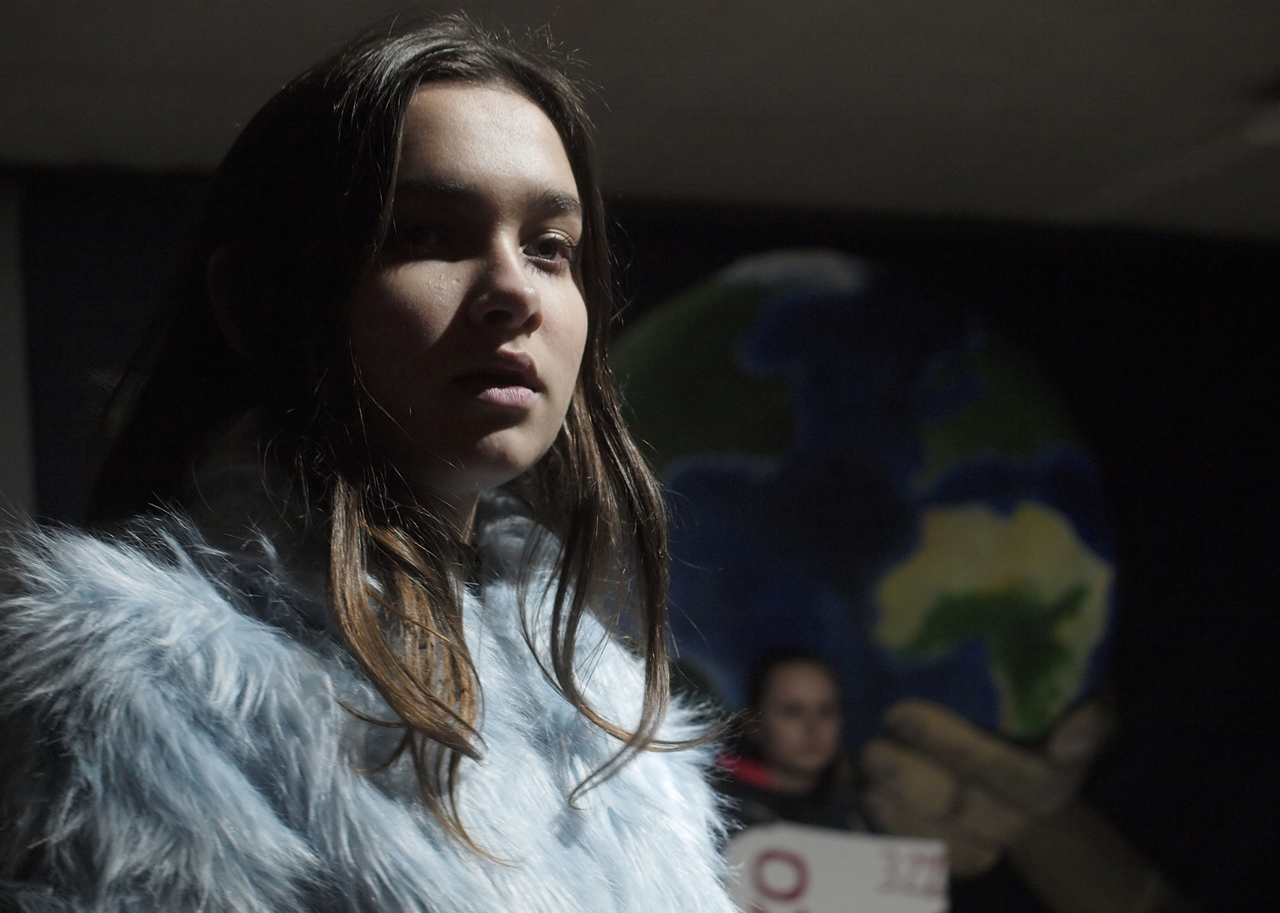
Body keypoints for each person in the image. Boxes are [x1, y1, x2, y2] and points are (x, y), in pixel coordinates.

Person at [0, 16, 735, 913]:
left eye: (550, 247)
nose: (515, 290)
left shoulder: (614, 723)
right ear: (257, 300)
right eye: (423, 232)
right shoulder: (134, 689)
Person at [717, 649, 1193, 913]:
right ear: (755, 722)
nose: (813, 728)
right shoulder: (714, 818)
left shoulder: (885, 807)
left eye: (826, 711)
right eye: (792, 711)